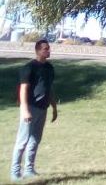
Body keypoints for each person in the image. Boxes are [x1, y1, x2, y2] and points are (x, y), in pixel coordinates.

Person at [10, 39, 57, 182]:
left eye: (48, 48)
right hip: (30, 107)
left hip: (43, 108)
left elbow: (49, 88)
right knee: (22, 140)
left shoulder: (49, 68)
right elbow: (23, 89)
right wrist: (24, 109)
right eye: (45, 49)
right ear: (37, 51)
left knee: (35, 140)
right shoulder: (29, 67)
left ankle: (29, 170)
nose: (48, 51)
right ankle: (15, 172)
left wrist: (54, 107)